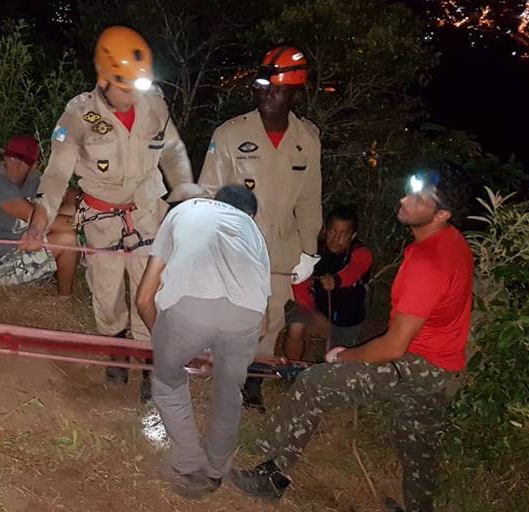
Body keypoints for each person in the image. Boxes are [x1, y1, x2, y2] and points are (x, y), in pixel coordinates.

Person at [227, 171, 474, 512]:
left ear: (442, 213)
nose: (404, 200)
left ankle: (272, 476)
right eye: (409, 192)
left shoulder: (428, 261)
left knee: (314, 383)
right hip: (446, 368)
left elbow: (393, 347)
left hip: (419, 364)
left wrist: (345, 357)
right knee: (417, 441)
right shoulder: (453, 241)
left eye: (418, 199)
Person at [20, 25, 195, 401]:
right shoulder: (78, 115)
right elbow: (55, 174)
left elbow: (174, 152)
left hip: (148, 215)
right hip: (101, 220)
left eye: (139, 84)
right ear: (103, 77)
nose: (132, 94)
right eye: (125, 85)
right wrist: (39, 223)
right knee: (108, 297)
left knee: (151, 294)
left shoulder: (155, 105)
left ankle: (150, 365)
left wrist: (185, 196)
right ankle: (117, 353)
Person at [198, 45, 323, 411]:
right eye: (262, 85)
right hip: (236, 246)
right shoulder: (229, 135)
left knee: (270, 323)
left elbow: (309, 199)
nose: (268, 94)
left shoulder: (306, 141)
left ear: (295, 92)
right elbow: (208, 194)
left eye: (278, 89)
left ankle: (253, 385)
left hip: (281, 252)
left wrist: (309, 251)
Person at [135, 185, 270, 500]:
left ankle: (188, 466)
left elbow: (144, 299)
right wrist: (220, 349)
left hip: (189, 309)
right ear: (251, 215)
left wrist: (167, 346)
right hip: (246, 316)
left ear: (214, 203)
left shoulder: (183, 212)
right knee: (229, 393)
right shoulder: (254, 234)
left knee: (167, 383)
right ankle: (215, 471)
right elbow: (263, 326)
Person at [0, 134, 79, 295]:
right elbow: (40, 219)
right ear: (5, 157)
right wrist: (88, 219)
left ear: (34, 166)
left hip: (20, 247)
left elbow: (64, 193)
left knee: (69, 210)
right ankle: (64, 299)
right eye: (12, 158)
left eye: (23, 161)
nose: (15, 165)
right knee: (67, 239)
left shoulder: (32, 179)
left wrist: (82, 200)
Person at [284, 205, 373, 360]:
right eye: (332, 231)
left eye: (343, 234)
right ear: (325, 230)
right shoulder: (314, 250)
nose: (335, 239)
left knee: (337, 357)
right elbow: (299, 283)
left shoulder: (361, 253)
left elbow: (354, 270)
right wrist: (314, 313)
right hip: (317, 311)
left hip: (347, 320)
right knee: (295, 328)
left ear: (352, 236)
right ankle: (292, 369)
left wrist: (336, 281)